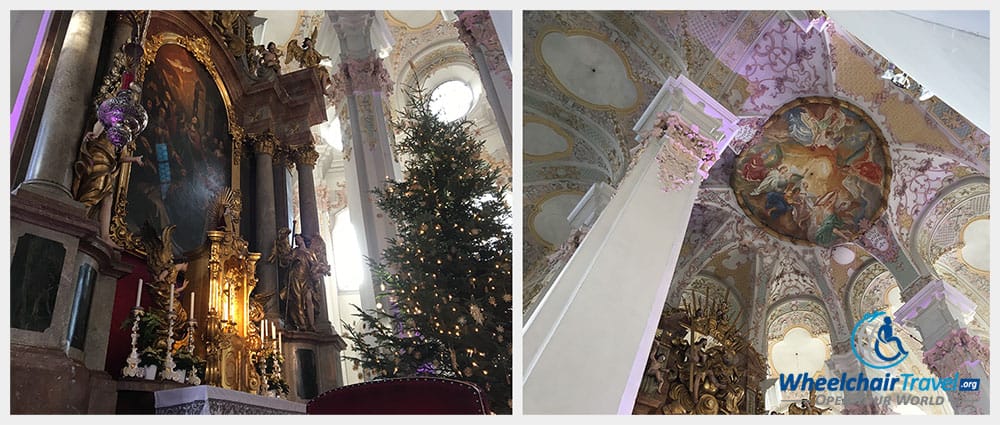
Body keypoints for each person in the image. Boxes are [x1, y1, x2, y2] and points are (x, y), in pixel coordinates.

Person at [285, 234, 319, 331]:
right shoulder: (295, 251)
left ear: (303, 239)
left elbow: (315, 265)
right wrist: (289, 258)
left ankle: (312, 324)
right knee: (298, 300)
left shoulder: (309, 252)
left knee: (309, 300)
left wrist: (316, 272)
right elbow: (287, 261)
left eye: (298, 238)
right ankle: (302, 324)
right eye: (295, 239)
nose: (296, 241)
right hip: (296, 278)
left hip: (306, 279)